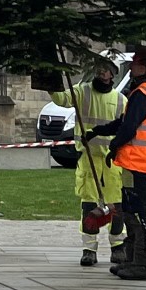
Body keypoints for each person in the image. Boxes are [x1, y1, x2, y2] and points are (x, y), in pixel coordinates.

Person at [48, 57, 124, 268]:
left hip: (112, 161)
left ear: (112, 74)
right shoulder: (82, 91)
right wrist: (50, 84)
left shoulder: (120, 100)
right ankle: (89, 249)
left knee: (116, 204)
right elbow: (61, 99)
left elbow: (124, 128)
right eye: (98, 70)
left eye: (106, 70)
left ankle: (118, 247)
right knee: (89, 204)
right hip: (88, 159)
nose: (101, 73)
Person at [98, 46, 146, 281]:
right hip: (135, 162)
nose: (132, 66)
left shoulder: (142, 93)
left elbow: (129, 127)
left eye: (136, 63)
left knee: (138, 211)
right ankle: (132, 258)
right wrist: (100, 131)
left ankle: (145, 262)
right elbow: (124, 122)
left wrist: (114, 145)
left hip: (139, 162)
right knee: (129, 210)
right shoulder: (143, 92)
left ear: (145, 68)